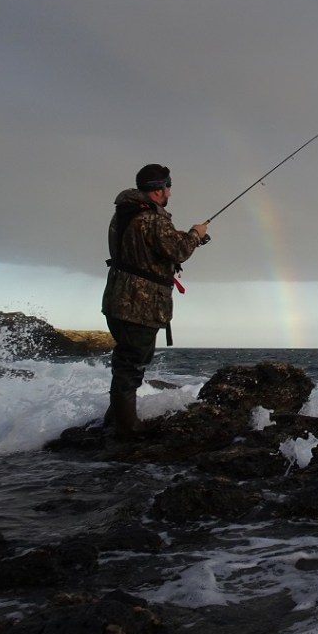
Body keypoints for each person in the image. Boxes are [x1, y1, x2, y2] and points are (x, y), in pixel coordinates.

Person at [101, 164, 210, 438]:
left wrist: (187, 238)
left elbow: (152, 250)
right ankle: (128, 428)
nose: (170, 192)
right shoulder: (153, 219)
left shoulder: (123, 214)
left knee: (127, 360)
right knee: (132, 363)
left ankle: (113, 422)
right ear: (159, 190)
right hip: (140, 304)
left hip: (117, 298)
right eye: (168, 187)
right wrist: (195, 233)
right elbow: (178, 250)